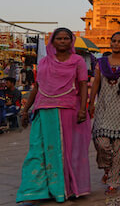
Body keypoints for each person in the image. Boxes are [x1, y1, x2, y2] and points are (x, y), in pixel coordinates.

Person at [17, 28, 91, 204]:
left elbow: (82, 85)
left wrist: (83, 109)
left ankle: (64, 189)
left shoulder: (77, 61)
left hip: (68, 109)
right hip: (43, 109)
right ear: (53, 41)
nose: (63, 41)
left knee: (64, 151)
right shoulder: (43, 62)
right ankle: (36, 190)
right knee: (38, 149)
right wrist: (26, 109)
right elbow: (37, 86)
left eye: (66, 38)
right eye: (59, 38)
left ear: (71, 41)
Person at [89, 32, 120, 194]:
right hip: (104, 107)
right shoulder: (101, 63)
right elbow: (95, 84)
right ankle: (107, 170)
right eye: (113, 41)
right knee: (101, 143)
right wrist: (91, 103)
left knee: (119, 149)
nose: (116, 44)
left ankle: (114, 182)